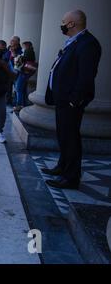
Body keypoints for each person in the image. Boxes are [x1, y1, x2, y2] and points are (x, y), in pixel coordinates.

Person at [43, 10, 102, 190]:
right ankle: (63, 167)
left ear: (71, 24)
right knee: (64, 136)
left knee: (71, 138)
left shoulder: (88, 44)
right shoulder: (74, 42)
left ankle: (71, 177)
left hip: (71, 102)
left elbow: (86, 76)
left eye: (63, 21)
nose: (61, 24)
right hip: (62, 100)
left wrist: (74, 101)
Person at [13, 41, 37, 113]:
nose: (23, 48)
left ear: (26, 46)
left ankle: (19, 105)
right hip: (26, 72)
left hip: (24, 72)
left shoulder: (28, 51)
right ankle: (23, 104)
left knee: (19, 88)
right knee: (22, 89)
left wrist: (17, 56)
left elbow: (23, 59)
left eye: (23, 46)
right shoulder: (30, 51)